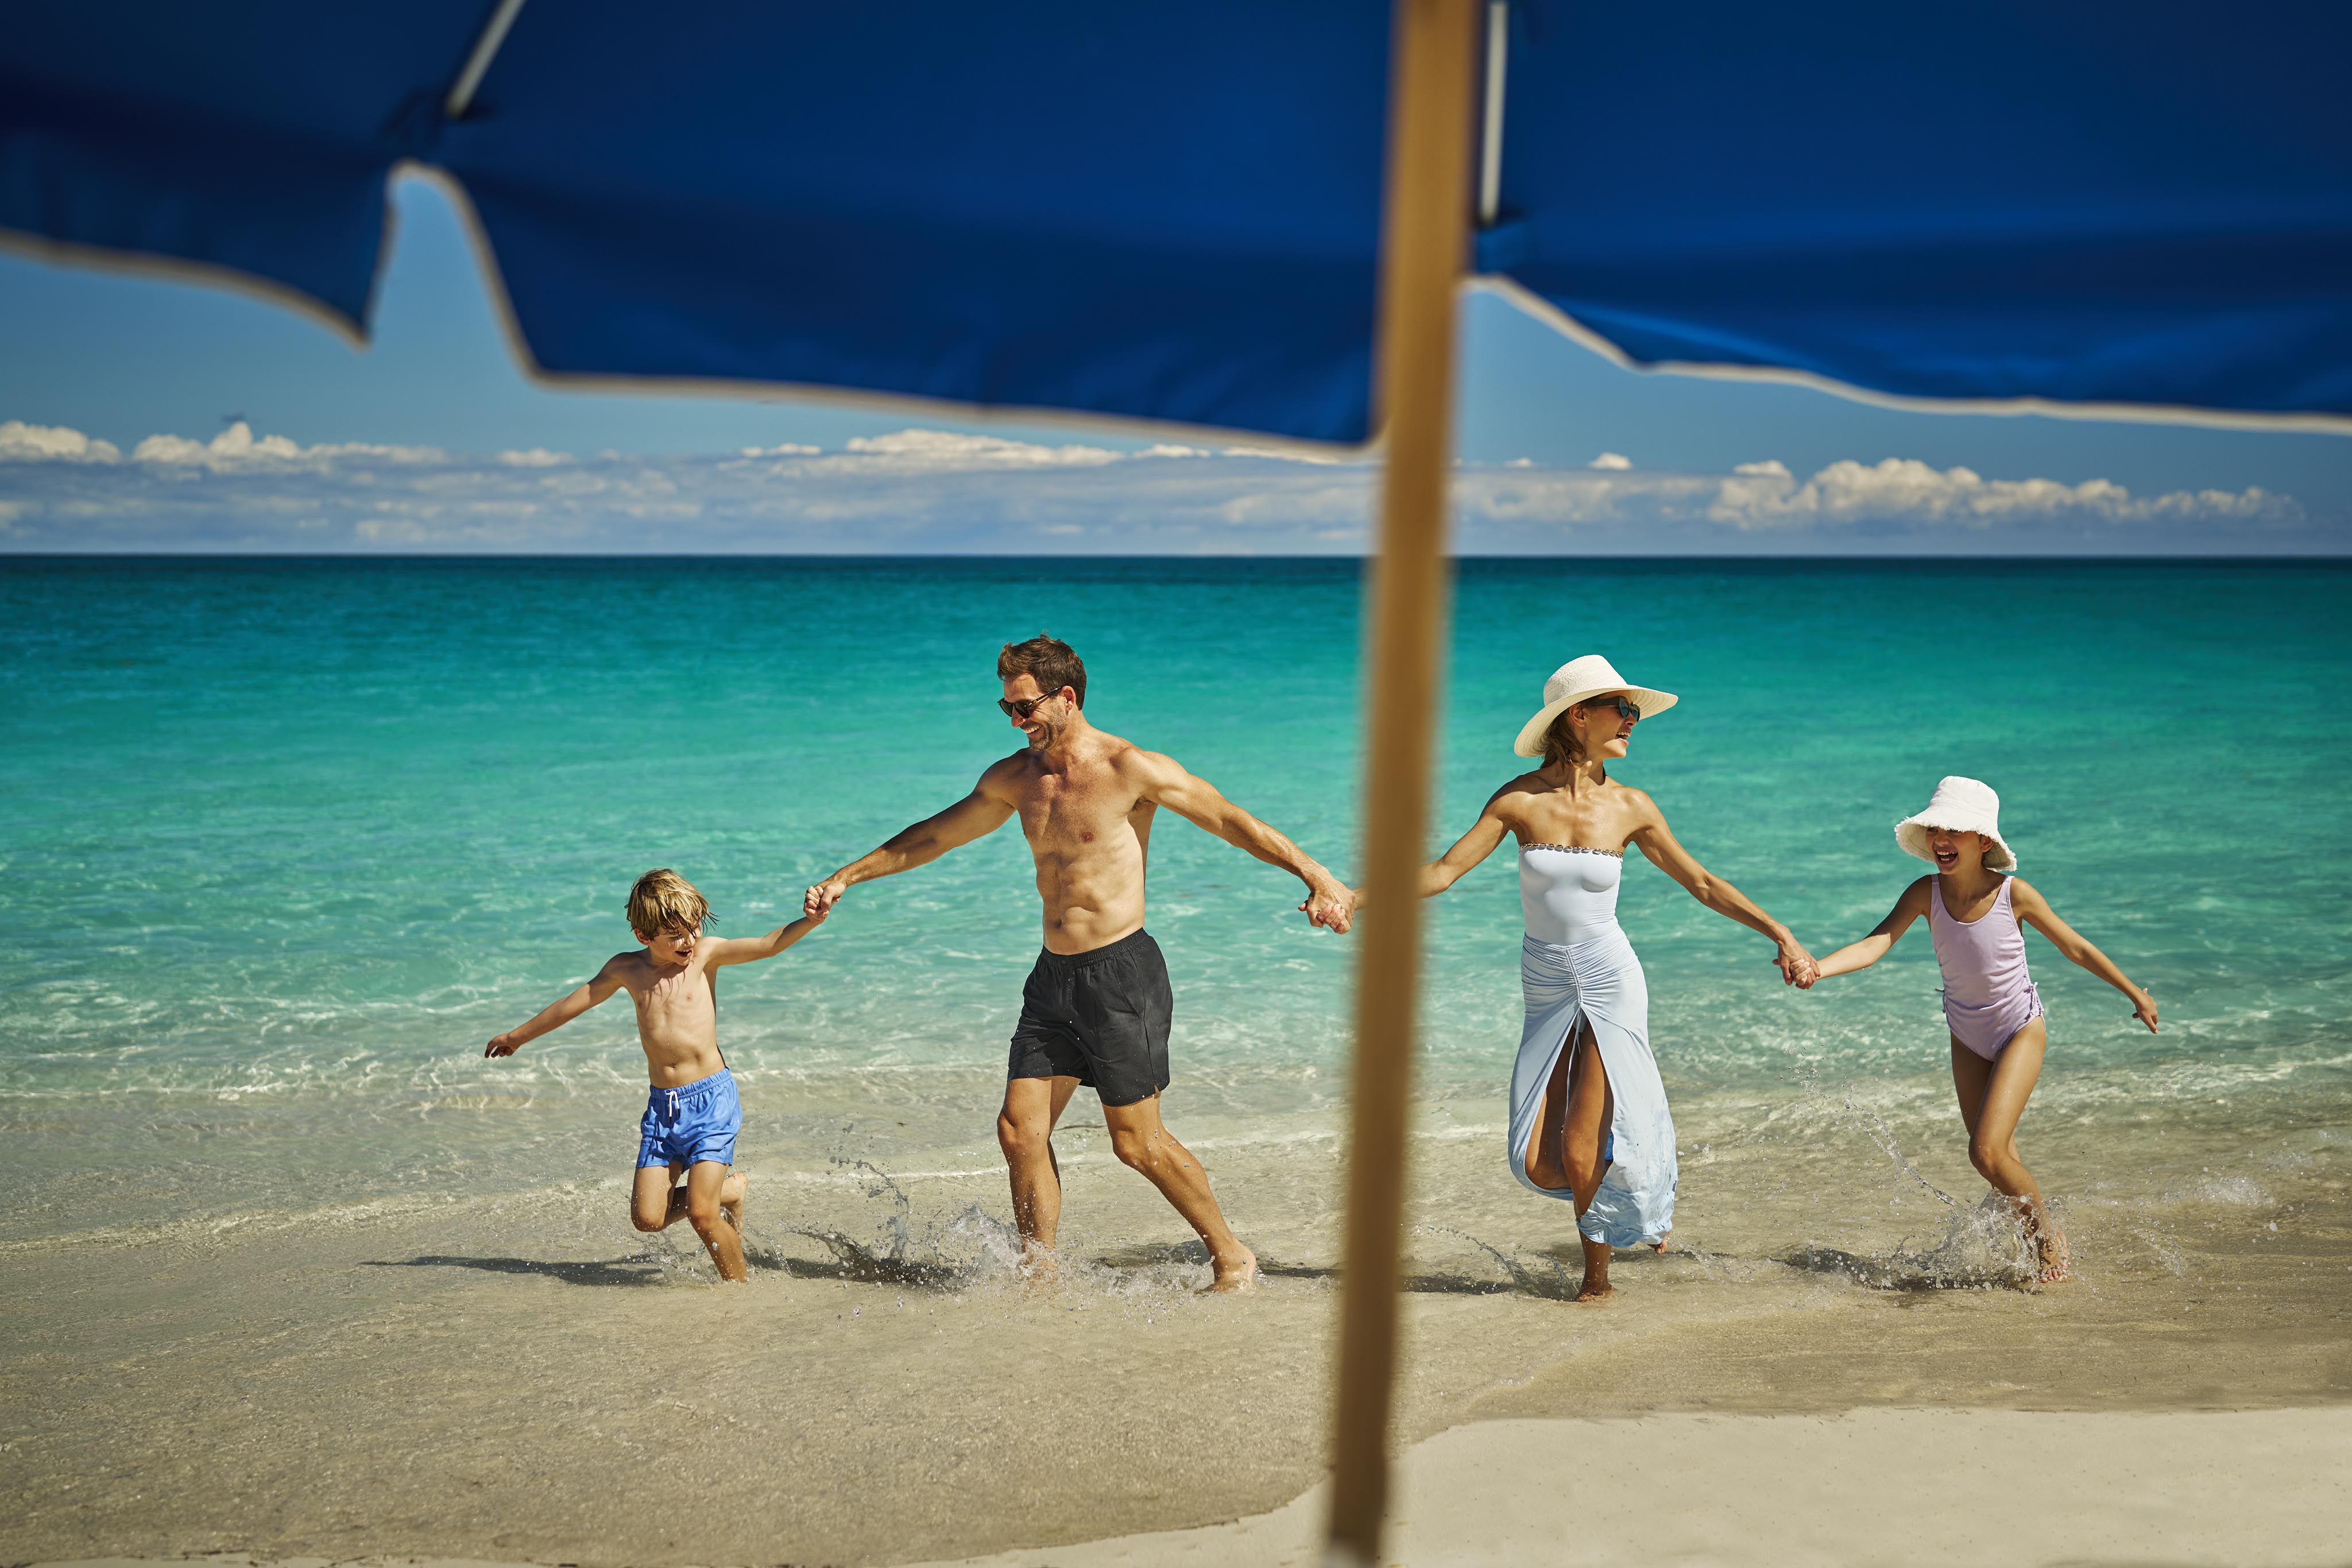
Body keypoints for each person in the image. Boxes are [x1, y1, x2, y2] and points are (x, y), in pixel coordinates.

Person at [803, 634, 1353, 1292]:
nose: (1015, 721)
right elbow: (932, 835)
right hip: (1052, 977)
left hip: (1121, 974)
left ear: (1066, 697)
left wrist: (1316, 875)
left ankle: (1232, 1253)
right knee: (1018, 1130)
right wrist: (848, 876)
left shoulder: (1130, 768)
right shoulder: (1014, 778)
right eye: (1006, 709)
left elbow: (1231, 820)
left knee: (1136, 1144)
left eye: (1024, 707)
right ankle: (1039, 1271)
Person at [1367, 655, 1815, 1303]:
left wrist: (1781, 933)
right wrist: (1354, 897)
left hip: (1609, 976)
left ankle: (1596, 1282)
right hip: (1545, 980)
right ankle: (1632, 1191)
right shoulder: (1519, 799)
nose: (1633, 721)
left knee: (1580, 1148)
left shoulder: (1632, 807)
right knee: (1538, 1157)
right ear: (1578, 715)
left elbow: (1702, 882)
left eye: (1633, 711)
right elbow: (1442, 871)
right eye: (1622, 709)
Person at [1798, 776, 2156, 1283]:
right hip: (1966, 1036)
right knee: (1994, 1158)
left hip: (2019, 1030)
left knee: (1985, 1150)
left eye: (1956, 831)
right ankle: (2019, 1244)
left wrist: (2133, 992)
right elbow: (1876, 942)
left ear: (1984, 840)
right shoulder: (1927, 893)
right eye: (1937, 829)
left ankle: (2045, 1238)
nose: (1942, 839)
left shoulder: (2015, 894)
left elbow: (2074, 946)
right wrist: (1819, 967)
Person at [485, 868, 827, 1283]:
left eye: (694, 927)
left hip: (712, 1101)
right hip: (663, 1110)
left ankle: (738, 1292)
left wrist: (809, 920)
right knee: (648, 1218)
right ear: (643, 936)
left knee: (703, 1215)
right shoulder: (626, 970)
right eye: (675, 934)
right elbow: (572, 1003)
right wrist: (518, 1036)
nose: (690, 940)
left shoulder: (705, 956)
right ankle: (731, 1189)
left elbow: (766, 945)